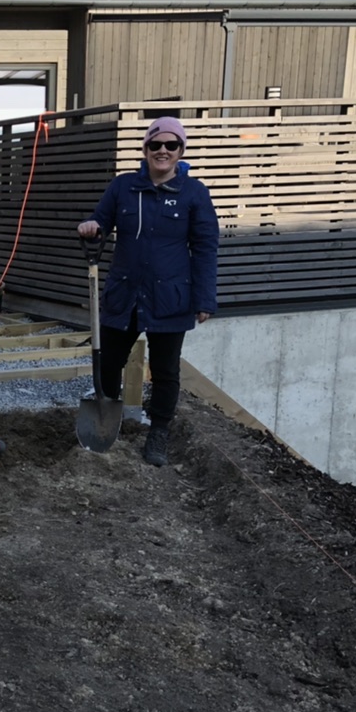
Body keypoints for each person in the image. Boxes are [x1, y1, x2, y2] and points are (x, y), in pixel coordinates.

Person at [76, 116, 219, 467]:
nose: (163, 151)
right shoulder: (124, 187)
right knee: (109, 362)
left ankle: (158, 433)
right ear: (145, 149)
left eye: (171, 145)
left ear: (181, 150)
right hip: (124, 294)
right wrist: (92, 227)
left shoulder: (194, 193)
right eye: (156, 145)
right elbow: (101, 221)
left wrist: (204, 299)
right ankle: (108, 421)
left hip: (170, 298)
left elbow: (205, 247)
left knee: (166, 370)